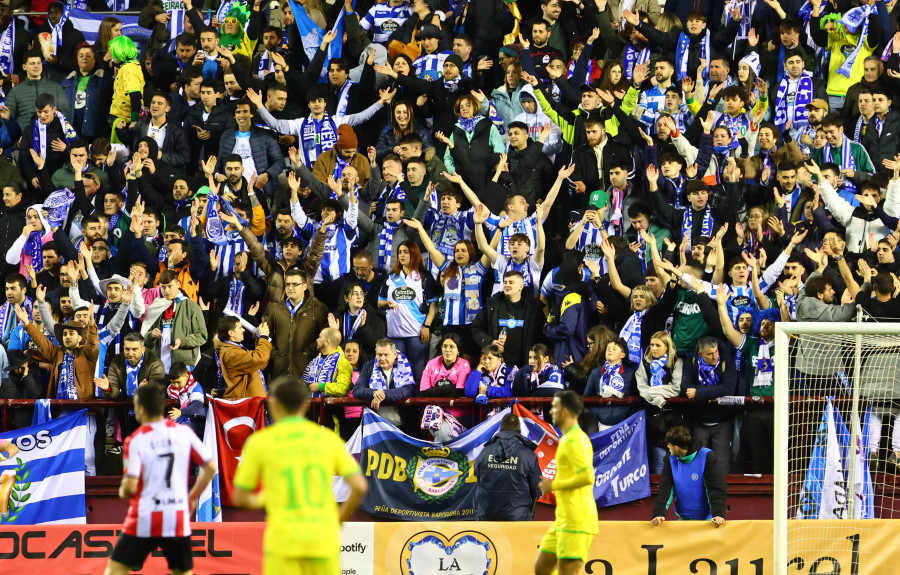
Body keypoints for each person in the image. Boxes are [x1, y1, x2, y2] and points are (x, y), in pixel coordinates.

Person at [233, 376, 368, 575]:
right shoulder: (327, 439)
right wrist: (337, 520)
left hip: (283, 543)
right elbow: (360, 486)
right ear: (305, 406)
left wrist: (264, 498)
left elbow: (239, 498)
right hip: (323, 539)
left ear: (274, 405)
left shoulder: (260, 442)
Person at [103, 385, 217, 575]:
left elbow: (130, 488)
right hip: (176, 515)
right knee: (183, 572)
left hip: (145, 516)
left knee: (115, 570)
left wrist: (123, 489)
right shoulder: (184, 432)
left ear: (142, 409)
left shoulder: (136, 439)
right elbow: (210, 468)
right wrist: (192, 497)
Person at [535, 390, 597, 575]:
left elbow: (587, 477)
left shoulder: (575, 440)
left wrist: (552, 485)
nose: (551, 412)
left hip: (577, 520)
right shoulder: (568, 439)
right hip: (563, 519)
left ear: (565, 411)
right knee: (542, 568)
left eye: (554, 408)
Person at [651, 425, 726, 527]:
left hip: (708, 521)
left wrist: (718, 514)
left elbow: (715, 489)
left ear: (676, 448)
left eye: (669, 446)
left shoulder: (707, 457)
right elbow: (665, 489)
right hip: (683, 519)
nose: (668, 448)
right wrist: (658, 513)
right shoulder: (669, 459)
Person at [475, 413, 542, 521]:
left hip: (487, 517)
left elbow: (477, 478)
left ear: (501, 429)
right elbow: (538, 489)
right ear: (519, 430)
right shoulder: (528, 455)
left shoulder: (485, 451)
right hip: (518, 519)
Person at [216, 315, 271, 399]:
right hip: (247, 404)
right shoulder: (231, 354)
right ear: (231, 333)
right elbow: (259, 359)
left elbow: (258, 365)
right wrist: (263, 337)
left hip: (251, 401)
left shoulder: (234, 349)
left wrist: (259, 341)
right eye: (240, 327)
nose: (243, 330)